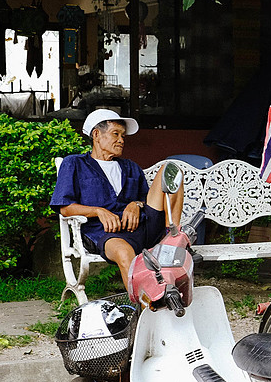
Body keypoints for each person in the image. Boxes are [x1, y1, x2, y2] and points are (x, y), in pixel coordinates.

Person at [51, 109, 184, 293]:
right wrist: (98, 211)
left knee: (170, 169)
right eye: (116, 134)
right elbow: (65, 208)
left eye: (123, 136)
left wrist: (136, 204)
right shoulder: (74, 163)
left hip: (143, 227)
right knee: (123, 253)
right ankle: (146, 303)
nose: (121, 140)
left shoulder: (130, 167)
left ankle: (175, 239)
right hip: (104, 233)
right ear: (96, 134)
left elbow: (147, 200)